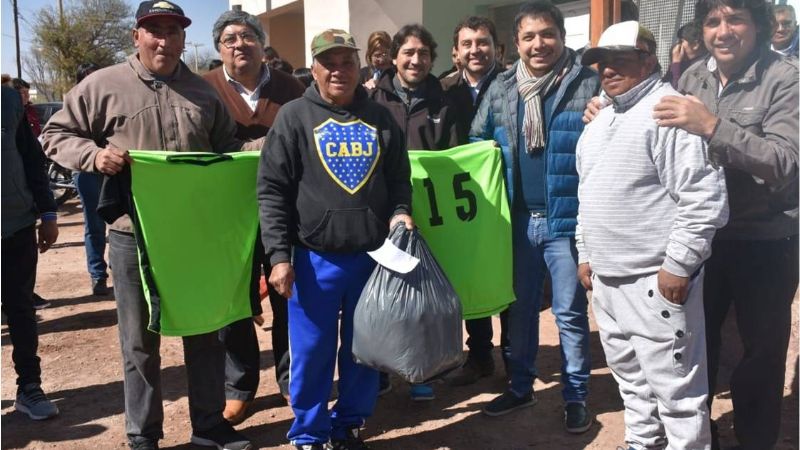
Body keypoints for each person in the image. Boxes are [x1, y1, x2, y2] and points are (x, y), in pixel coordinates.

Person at [41, 2, 259, 449]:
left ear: (183, 38)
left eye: (173, 31)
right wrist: (94, 157)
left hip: (194, 236)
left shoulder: (202, 92)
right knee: (139, 342)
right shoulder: (103, 85)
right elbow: (54, 135)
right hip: (131, 236)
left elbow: (229, 150)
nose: (164, 39)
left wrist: (275, 141)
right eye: (154, 30)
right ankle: (143, 436)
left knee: (205, 330)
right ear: (136, 36)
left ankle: (208, 426)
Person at [258, 28, 414, 450]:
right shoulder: (293, 117)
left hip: (373, 258)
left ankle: (348, 426)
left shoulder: (382, 117)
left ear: (358, 64)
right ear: (314, 68)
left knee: (364, 352)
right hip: (313, 259)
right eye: (329, 62)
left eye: (347, 61)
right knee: (311, 354)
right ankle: (309, 434)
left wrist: (401, 211)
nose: (339, 70)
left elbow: (400, 179)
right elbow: (272, 190)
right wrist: (278, 256)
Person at [652, 0, 799, 448]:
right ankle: (702, 437)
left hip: (767, 238)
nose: (724, 30)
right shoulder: (694, 75)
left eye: (735, 19)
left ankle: (756, 440)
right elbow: (658, 127)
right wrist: (606, 110)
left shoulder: (785, 78)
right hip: (706, 238)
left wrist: (713, 125)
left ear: (757, 25)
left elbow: (786, 161)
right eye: (714, 21)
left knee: (760, 354)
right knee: (698, 346)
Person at [576, 20, 729, 450]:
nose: (607, 69)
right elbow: (586, 194)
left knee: (678, 396)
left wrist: (679, 265)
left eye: (619, 58)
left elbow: (703, 197)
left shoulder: (670, 109)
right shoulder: (599, 120)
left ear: (649, 59)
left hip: (655, 285)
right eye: (601, 62)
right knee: (633, 389)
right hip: (608, 284)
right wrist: (586, 253)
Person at [469, 0, 598, 433]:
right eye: (529, 36)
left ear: (562, 37)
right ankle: (520, 386)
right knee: (519, 309)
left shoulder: (588, 84)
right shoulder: (503, 87)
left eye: (547, 34)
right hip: (517, 221)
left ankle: (576, 394)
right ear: (518, 43)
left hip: (566, 221)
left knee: (569, 313)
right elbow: (477, 139)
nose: (538, 44)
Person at [204, 8, 305, 425]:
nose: (239, 45)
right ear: (219, 48)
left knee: (287, 296)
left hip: (285, 210)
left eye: (247, 36)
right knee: (235, 303)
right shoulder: (202, 89)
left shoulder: (292, 88)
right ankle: (240, 387)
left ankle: (289, 381)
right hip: (226, 213)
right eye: (230, 39)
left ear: (262, 44)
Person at [368, 23, 458, 401]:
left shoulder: (445, 102)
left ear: (432, 59)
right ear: (394, 57)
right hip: (379, 214)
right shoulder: (371, 100)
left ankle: (421, 371)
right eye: (408, 52)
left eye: (423, 54)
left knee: (419, 295)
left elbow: (455, 157)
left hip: (429, 216)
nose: (416, 60)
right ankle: (382, 369)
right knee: (380, 293)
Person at [441, 15, 508, 387]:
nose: (475, 50)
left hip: (508, 195)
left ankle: (514, 358)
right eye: (467, 44)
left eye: (482, 42)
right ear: (456, 53)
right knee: (471, 277)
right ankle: (479, 355)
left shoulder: (513, 84)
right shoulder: (444, 90)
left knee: (509, 276)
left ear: (497, 48)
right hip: (463, 201)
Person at [2, 85, 60, 421]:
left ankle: (29, 387)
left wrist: (48, 213)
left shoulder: (8, 103)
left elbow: (31, 160)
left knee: (21, 311)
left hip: (15, 226)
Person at [69, 62, 111, 297]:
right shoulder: (74, 104)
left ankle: (121, 268)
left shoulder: (112, 99)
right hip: (86, 173)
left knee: (121, 221)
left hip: (113, 171)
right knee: (94, 224)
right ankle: (97, 275)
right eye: (89, 77)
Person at [664, 22, 707, 88]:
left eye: (682, 41)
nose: (678, 45)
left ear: (695, 44)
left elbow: (676, 91)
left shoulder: (704, 68)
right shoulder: (684, 64)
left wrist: (676, 64)